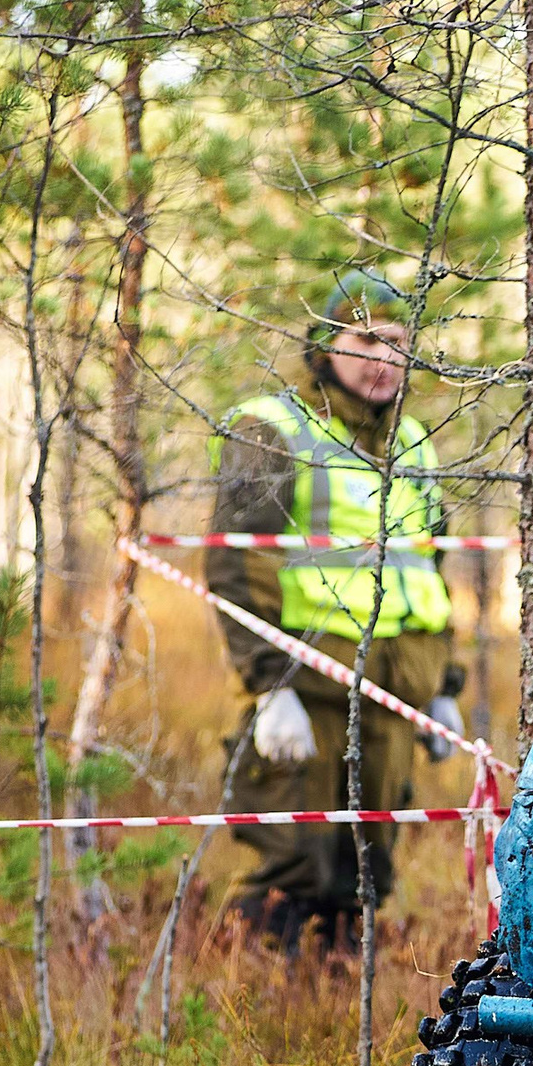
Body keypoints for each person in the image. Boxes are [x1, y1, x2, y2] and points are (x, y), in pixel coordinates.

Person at [207, 270, 465, 951]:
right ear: (325, 344)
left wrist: (443, 688)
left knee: (367, 870)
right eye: (368, 340)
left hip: (396, 689)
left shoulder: (414, 439)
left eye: (399, 344)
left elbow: (426, 567)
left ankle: (336, 1005)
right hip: (310, 687)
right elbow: (237, 566)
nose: (385, 359)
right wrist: (271, 686)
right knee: (296, 858)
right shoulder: (271, 428)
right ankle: (259, 1007)